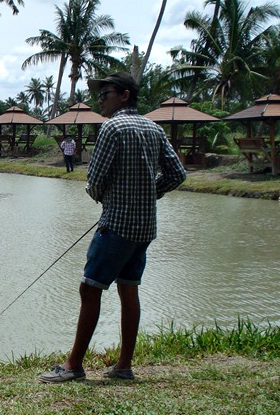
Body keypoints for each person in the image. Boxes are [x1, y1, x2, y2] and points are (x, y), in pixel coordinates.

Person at [39, 72, 186, 383]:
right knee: (128, 288)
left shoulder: (112, 128)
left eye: (105, 94)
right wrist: (151, 191)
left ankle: (73, 365)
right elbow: (177, 174)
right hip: (145, 227)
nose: (100, 100)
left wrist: (106, 196)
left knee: (89, 287)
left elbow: (96, 180)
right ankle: (123, 365)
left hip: (117, 224)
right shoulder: (154, 128)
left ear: (124, 95)